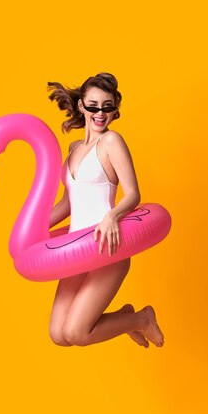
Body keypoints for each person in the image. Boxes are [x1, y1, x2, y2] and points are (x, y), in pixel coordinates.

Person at [46, 72, 164, 348]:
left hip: (107, 245)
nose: (100, 113)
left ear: (115, 109)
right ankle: (125, 317)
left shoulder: (112, 142)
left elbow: (133, 193)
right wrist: (34, 229)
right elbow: (68, 203)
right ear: (81, 106)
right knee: (58, 335)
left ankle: (141, 319)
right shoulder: (74, 148)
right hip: (76, 249)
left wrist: (112, 216)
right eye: (93, 105)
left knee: (76, 333)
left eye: (107, 106)